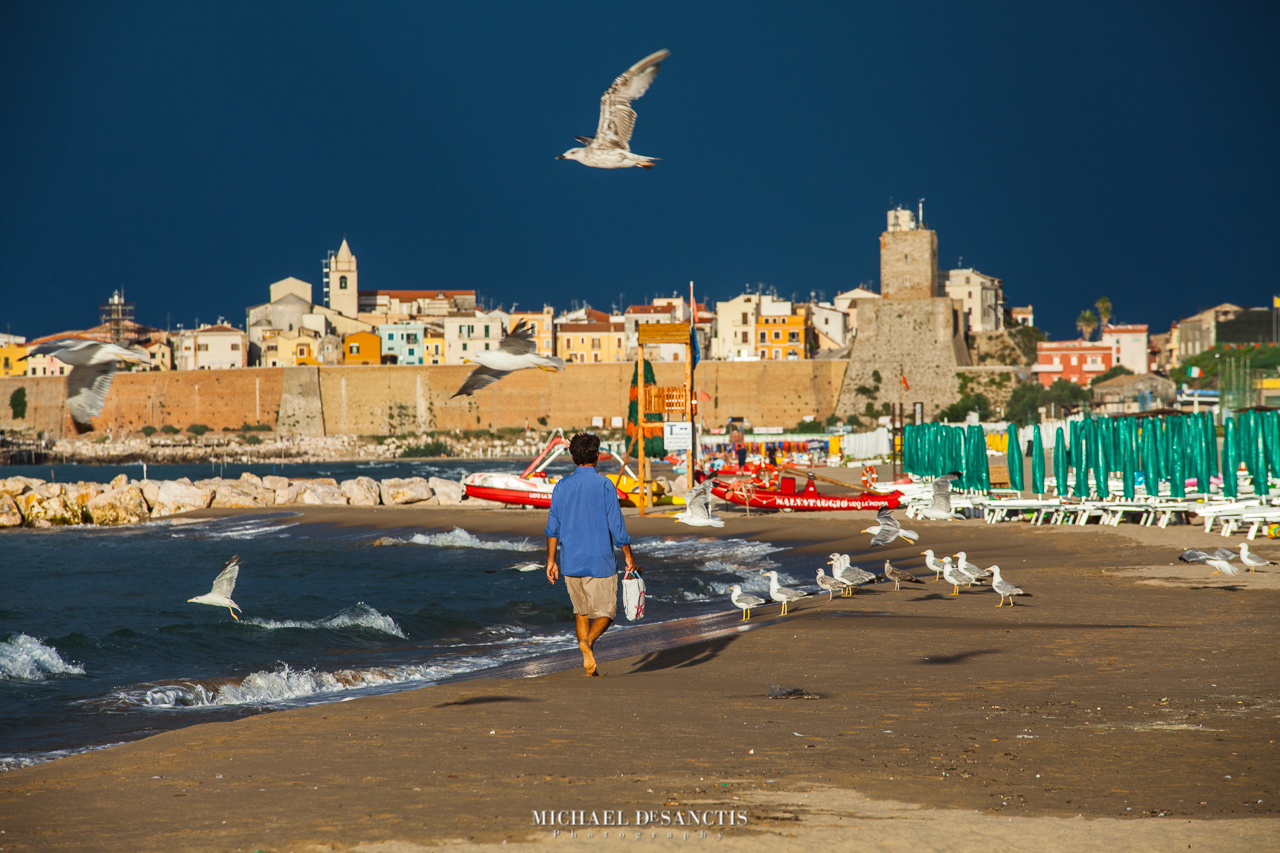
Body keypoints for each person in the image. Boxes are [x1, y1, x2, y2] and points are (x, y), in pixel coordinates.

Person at [545, 432, 639, 676]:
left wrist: (551, 560)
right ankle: (587, 643)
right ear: (597, 456)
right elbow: (617, 526)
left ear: (572, 456)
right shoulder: (605, 484)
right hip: (599, 561)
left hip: (570, 561)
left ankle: (589, 666)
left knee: (582, 613)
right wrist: (628, 555)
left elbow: (553, 527)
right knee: (606, 613)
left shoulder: (562, 486)